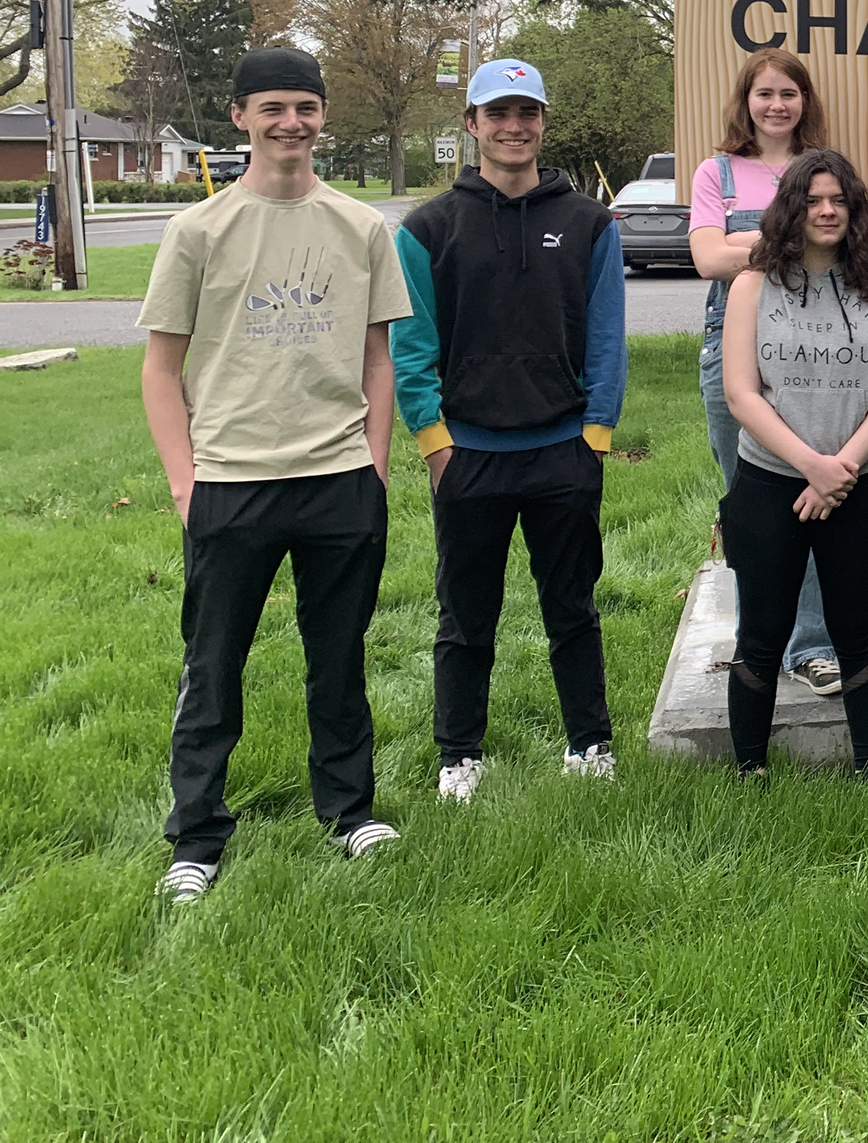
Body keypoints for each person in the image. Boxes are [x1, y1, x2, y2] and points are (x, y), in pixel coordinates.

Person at [139, 48, 413, 903]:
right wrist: (187, 483)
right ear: (239, 117)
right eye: (273, 107)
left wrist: (374, 466)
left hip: (338, 479)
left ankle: (348, 809)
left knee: (338, 658)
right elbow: (160, 367)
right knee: (212, 664)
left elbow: (379, 357)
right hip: (231, 481)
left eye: (305, 106)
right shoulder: (198, 231)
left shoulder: (362, 227)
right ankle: (197, 836)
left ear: (322, 116)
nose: (291, 122)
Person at [391, 59, 625, 804]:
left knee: (573, 607)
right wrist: (434, 442)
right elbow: (413, 345)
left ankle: (589, 743)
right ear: (472, 125)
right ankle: (459, 753)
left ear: (543, 123)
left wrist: (595, 435)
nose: (513, 126)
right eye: (498, 113)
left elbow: (607, 339)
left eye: (527, 112)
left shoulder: (588, 223)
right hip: (469, 456)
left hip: (563, 448)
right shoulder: (428, 227)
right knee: (465, 614)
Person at [718, 148, 868, 779]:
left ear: (856, 209)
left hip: (859, 483)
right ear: (790, 209)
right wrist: (810, 464)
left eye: (839, 200)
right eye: (812, 200)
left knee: (857, 627)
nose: (826, 211)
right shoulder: (752, 284)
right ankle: (750, 769)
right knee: (764, 631)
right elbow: (742, 394)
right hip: (769, 484)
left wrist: (842, 467)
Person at [690, 51, 844, 697]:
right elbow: (705, 258)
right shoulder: (716, 171)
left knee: (813, 495)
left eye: (789, 93)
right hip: (733, 347)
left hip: (817, 351)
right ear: (745, 100)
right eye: (765, 93)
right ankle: (760, 638)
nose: (777, 105)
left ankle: (812, 643)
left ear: (805, 100)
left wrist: (747, 244)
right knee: (749, 504)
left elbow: (842, 250)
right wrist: (793, 238)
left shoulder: (827, 170)